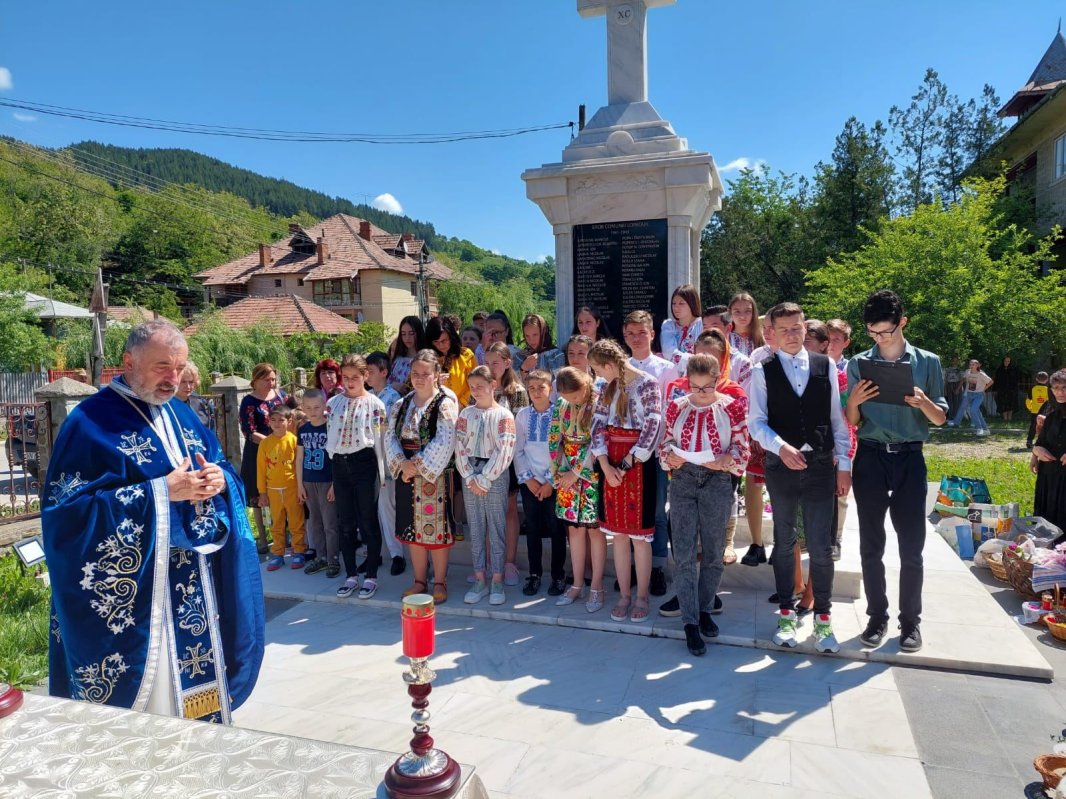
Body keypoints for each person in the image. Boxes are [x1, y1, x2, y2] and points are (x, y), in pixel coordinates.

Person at [42, 319, 264, 722]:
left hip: (191, 586)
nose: (173, 379)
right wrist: (160, 492)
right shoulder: (88, 423)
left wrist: (219, 480)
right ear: (129, 362)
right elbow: (66, 515)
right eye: (162, 366)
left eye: (179, 368)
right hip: (139, 599)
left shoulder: (182, 414)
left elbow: (221, 466)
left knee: (193, 710)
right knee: (149, 711)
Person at [846, 290, 947, 653]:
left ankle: (910, 622)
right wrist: (854, 402)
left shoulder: (928, 362)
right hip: (871, 457)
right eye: (872, 333)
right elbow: (853, 420)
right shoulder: (858, 363)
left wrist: (924, 403)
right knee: (871, 544)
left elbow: (940, 418)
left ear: (902, 322)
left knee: (911, 547)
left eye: (886, 332)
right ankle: (877, 617)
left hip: (909, 458)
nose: (879, 339)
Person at [749, 303, 851, 653]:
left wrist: (844, 465)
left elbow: (837, 420)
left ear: (805, 328)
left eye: (797, 328)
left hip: (820, 465)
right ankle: (786, 614)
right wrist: (780, 447)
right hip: (782, 467)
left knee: (821, 546)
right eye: (784, 330)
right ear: (773, 334)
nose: (792, 335)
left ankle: (823, 619)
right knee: (784, 541)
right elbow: (756, 422)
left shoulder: (826, 365)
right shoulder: (762, 369)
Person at [660, 354, 750, 656]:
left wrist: (726, 459)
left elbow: (742, 448)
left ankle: (705, 609)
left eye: (707, 388)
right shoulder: (677, 406)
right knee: (684, 553)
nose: (700, 393)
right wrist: (670, 456)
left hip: (717, 481)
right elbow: (665, 443)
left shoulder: (732, 407)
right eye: (695, 387)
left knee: (713, 552)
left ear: (717, 380)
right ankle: (689, 621)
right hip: (684, 480)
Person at [589, 338, 663, 622]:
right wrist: (605, 466)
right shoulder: (606, 388)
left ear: (609, 365)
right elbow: (597, 424)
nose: (598, 375)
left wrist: (627, 463)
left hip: (638, 464)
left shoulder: (647, 384)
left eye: (598, 369)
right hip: (610, 461)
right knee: (618, 534)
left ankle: (641, 596)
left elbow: (653, 425)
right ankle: (624, 595)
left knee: (639, 536)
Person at [386, 350, 460, 604]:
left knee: (436, 530)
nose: (418, 378)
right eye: (415, 373)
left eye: (425, 373)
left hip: (433, 475)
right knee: (412, 530)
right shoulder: (401, 404)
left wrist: (416, 465)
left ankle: (439, 581)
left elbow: (445, 440)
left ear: (436, 375)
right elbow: (390, 436)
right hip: (406, 473)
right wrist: (401, 464)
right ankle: (419, 580)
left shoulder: (445, 404)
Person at [622, 309, 677, 597]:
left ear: (652, 334)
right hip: (626, 453)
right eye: (630, 334)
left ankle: (656, 568)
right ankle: (633, 566)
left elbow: (671, 410)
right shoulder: (622, 368)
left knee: (655, 511)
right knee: (630, 511)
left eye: (641, 332)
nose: (636, 338)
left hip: (655, 452)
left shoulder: (666, 369)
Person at [326, 355, 388, 600]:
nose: (350, 382)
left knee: (368, 521)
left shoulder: (375, 404)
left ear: (365, 376)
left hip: (365, 463)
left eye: (355, 377)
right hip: (340, 465)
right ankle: (351, 575)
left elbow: (380, 440)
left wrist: (382, 474)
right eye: (346, 377)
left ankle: (371, 575)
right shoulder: (333, 403)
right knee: (345, 522)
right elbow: (331, 435)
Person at [456, 366, 517, 606]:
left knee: (496, 526)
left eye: (480, 386)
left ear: (493, 385)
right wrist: (469, 476)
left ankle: (497, 578)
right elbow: (459, 445)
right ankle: (480, 577)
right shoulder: (466, 414)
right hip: (470, 474)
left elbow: (505, 449)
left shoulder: (504, 415)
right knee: (476, 527)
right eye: (472, 387)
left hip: (495, 475)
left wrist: (485, 478)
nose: (475, 391)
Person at [550, 367, 605, 612]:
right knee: (573, 529)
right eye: (567, 397)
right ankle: (577, 584)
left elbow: (597, 441)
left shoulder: (598, 403)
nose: (571, 401)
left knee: (595, 529)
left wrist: (577, 472)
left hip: (591, 471)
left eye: (574, 396)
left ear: (584, 386)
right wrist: (559, 472)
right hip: (566, 470)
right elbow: (554, 438)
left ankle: (597, 586)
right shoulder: (561, 405)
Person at [515, 369, 566, 596]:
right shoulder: (522, 415)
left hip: (553, 482)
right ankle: (534, 574)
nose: (536, 392)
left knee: (557, 528)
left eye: (541, 387)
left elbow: (563, 449)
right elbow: (518, 449)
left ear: (551, 389)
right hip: (530, 483)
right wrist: (528, 479)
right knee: (533, 529)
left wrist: (550, 482)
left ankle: (558, 576)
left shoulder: (560, 414)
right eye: (532, 388)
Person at [486, 341, 528, 586]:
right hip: (485, 457)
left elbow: (518, 427)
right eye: (488, 362)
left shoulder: (516, 391)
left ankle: (509, 562)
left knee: (510, 508)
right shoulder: (482, 387)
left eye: (496, 362)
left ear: (507, 363)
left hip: (508, 458)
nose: (491, 367)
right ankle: (490, 562)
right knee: (488, 511)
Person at [366, 351, 407, 576]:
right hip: (367, 459)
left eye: (371, 371)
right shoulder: (366, 397)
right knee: (372, 509)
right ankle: (376, 553)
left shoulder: (393, 399)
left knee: (388, 507)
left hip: (386, 459)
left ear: (384, 372)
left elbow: (392, 433)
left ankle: (396, 554)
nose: (367, 376)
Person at [239, 363, 286, 553]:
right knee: (258, 495)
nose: (271, 383)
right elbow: (249, 431)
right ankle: (263, 538)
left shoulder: (280, 396)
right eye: (267, 380)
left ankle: (284, 533)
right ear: (256, 380)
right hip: (257, 453)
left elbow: (292, 418)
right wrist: (270, 443)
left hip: (281, 452)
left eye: (273, 379)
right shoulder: (248, 402)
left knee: (282, 491)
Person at [297, 388, 339, 578]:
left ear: (324, 405)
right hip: (308, 481)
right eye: (308, 408)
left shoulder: (331, 427)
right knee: (315, 522)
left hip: (327, 481)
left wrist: (335, 484)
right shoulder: (303, 429)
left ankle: (333, 559)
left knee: (330, 523)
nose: (312, 411)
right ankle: (321, 557)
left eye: (316, 407)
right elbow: (299, 458)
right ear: (303, 408)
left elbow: (337, 458)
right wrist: (299, 484)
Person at [258, 406, 307, 571]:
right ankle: (278, 554)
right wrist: (262, 493)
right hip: (272, 490)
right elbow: (260, 470)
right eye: (273, 420)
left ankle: (299, 551)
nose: (277, 423)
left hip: (292, 489)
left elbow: (299, 466)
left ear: (289, 421)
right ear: (269, 421)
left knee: (296, 522)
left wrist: (300, 488)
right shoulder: (265, 443)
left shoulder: (294, 440)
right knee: (276, 524)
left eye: (281, 420)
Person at [1031, 370, 1066, 534]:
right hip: (1049, 474)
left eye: (1064, 387)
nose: (1060, 392)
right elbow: (1042, 439)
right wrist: (1035, 452)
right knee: (1047, 520)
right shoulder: (1051, 412)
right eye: (1056, 388)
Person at [427, 316, 478, 408]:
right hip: (435, 409)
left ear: (451, 337)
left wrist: (461, 404)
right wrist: (434, 383)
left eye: (444, 340)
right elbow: (416, 386)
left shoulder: (466, 355)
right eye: (436, 342)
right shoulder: (427, 359)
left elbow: (476, 384)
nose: (440, 345)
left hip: (464, 409)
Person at [701, 306, 752, 390]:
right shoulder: (696, 359)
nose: (708, 332)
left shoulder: (742, 363)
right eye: (705, 327)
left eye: (714, 327)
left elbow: (747, 396)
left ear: (728, 328)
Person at [661, 283, 703, 367]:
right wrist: (694, 360)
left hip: (698, 371)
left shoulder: (702, 324)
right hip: (674, 373)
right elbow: (669, 353)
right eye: (674, 303)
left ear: (692, 303)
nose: (676, 307)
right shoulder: (669, 326)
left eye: (681, 303)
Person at [947, 359, 993, 436]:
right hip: (969, 394)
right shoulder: (967, 372)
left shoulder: (981, 374)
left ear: (977, 365)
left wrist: (983, 389)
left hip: (978, 395)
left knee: (973, 410)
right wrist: (959, 388)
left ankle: (979, 428)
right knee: (976, 411)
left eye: (973, 364)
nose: (971, 366)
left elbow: (991, 381)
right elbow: (964, 379)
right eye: (970, 364)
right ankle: (985, 429)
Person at [518, 313, 565, 378]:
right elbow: (515, 382)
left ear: (543, 332)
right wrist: (524, 368)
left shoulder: (556, 355)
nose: (531, 340)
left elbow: (560, 381)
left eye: (535, 335)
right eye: (527, 336)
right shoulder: (521, 356)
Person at [388, 316, 426, 394]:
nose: (407, 338)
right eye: (403, 334)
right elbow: (386, 382)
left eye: (411, 334)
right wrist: (394, 385)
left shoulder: (426, 359)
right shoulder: (397, 360)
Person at [176, 361, 215, 430]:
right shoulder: (166, 406)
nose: (188, 386)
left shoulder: (199, 402)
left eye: (191, 382)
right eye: (183, 382)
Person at [728, 292, 765, 358]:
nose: (742, 316)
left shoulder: (763, 338)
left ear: (753, 313)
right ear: (730, 313)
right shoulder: (724, 338)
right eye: (737, 311)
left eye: (747, 311)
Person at [1027, 371, 1051, 449]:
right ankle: (1044, 442)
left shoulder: (1032, 388)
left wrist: (1030, 408)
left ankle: (1029, 441)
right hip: (1045, 412)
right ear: (1047, 380)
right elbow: (1050, 401)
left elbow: (1028, 400)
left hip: (1034, 411)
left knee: (1033, 426)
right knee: (1045, 427)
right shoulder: (1048, 390)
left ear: (1036, 379)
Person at [995, 355, 1020, 423]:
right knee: (1003, 404)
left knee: (1011, 405)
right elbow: (997, 380)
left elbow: (1016, 379)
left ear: (1010, 362)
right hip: (1002, 390)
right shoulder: (999, 370)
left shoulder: (1013, 369)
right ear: (1003, 361)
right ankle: (1005, 419)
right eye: (1005, 361)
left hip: (1011, 390)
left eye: (1008, 361)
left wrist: (1014, 388)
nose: (1007, 362)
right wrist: (996, 389)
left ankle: (1010, 419)